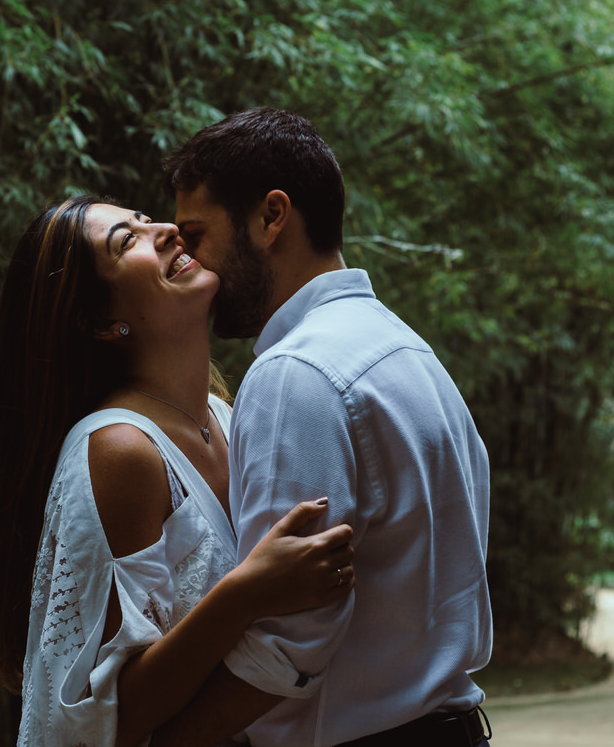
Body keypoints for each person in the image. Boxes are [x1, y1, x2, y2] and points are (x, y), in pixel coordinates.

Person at [152, 107, 492, 747]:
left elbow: (289, 639)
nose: (191, 262)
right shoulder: (408, 351)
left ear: (271, 216)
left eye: (196, 235)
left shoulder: (294, 374)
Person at [0, 195, 358, 747]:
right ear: (102, 323)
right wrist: (245, 593)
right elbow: (106, 717)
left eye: (143, 218)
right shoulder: (120, 451)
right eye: (126, 240)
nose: (167, 230)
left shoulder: (231, 418)